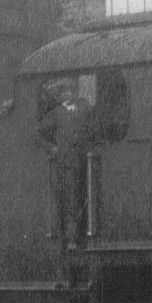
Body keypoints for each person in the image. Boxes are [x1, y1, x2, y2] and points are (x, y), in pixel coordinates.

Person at [37, 78, 100, 252]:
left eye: (71, 91)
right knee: (71, 201)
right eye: (66, 92)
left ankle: (81, 237)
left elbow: (94, 129)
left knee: (83, 199)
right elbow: (39, 133)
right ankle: (71, 239)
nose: (69, 94)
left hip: (84, 161)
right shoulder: (56, 113)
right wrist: (53, 148)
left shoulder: (85, 109)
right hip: (66, 163)